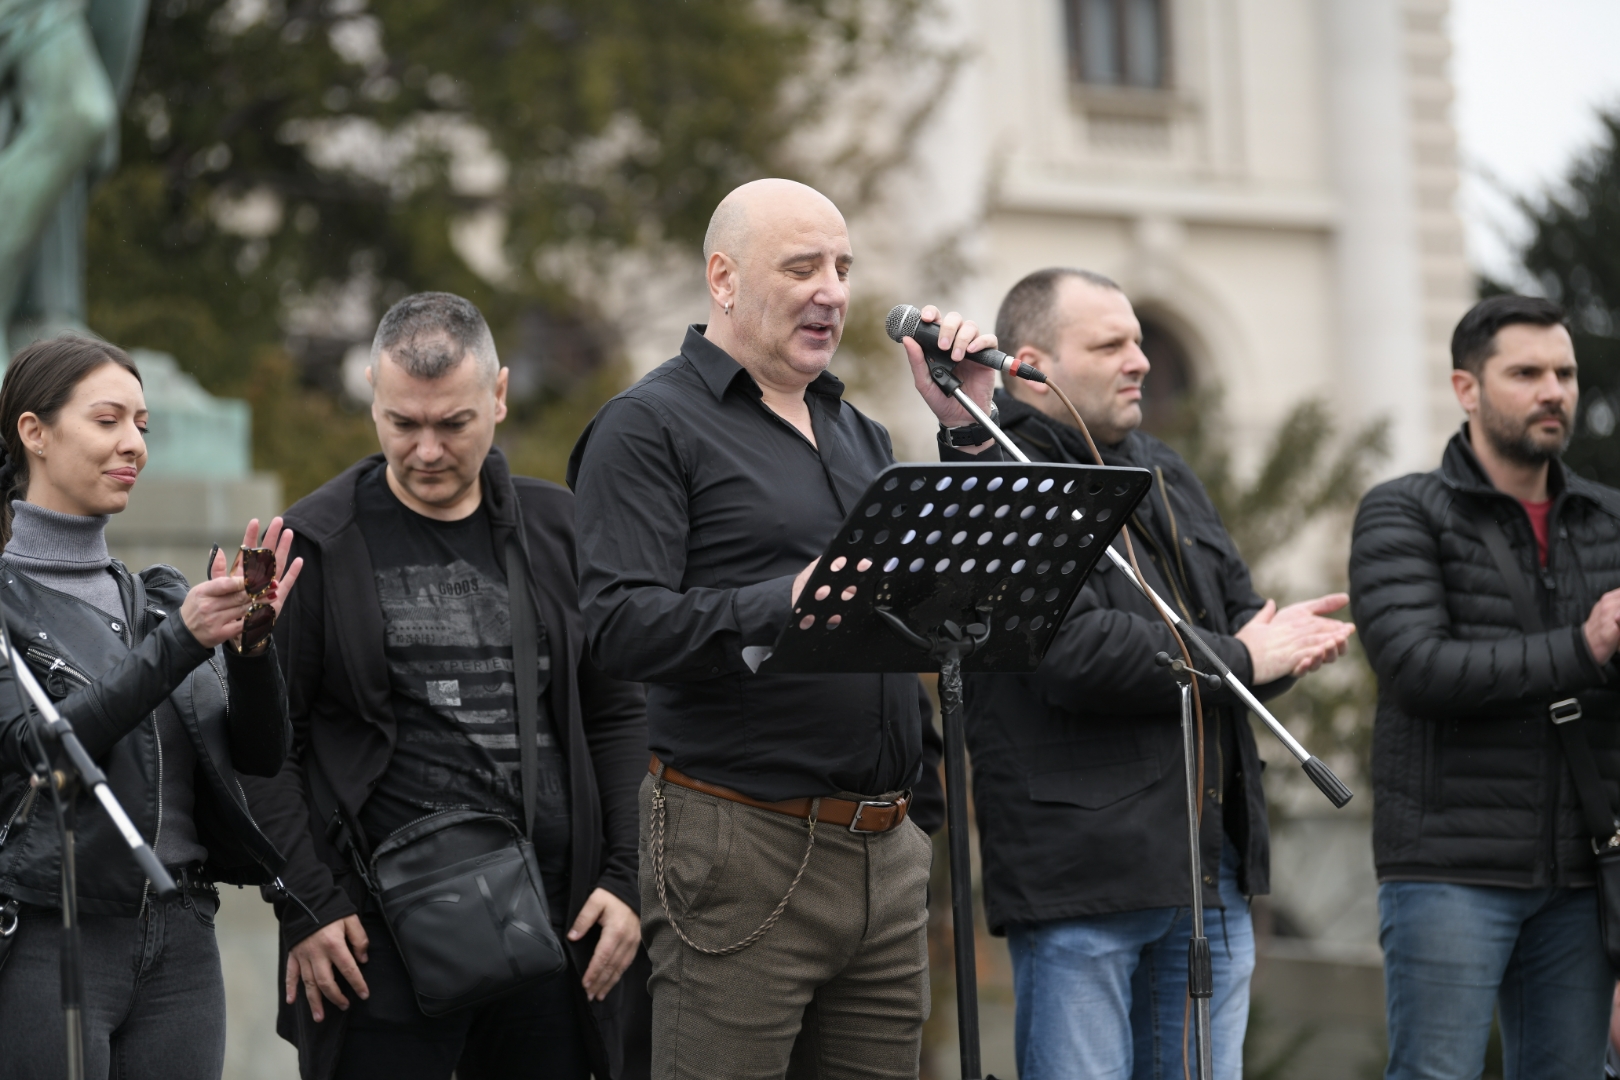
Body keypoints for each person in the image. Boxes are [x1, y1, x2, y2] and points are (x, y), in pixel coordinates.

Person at [566, 177, 997, 1080]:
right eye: (802, 266)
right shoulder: (648, 428)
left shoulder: (861, 434)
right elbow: (615, 627)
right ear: (723, 279)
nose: (833, 290)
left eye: (842, 267)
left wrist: (965, 429)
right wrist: (785, 599)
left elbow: (934, 613)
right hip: (741, 847)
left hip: (885, 853)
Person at [241, 293, 649, 1080]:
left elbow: (617, 713)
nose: (426, 450)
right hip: (375, 945)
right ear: (372, 395)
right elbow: (264, 751)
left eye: (453, 424)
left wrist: (627, 881)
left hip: (556, 931)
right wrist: (308, 907)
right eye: (402, 423)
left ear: (498, 395)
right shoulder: (315, 543)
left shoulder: (558, 527)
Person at [963, 268, 1355, 1080]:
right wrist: (1244, 656)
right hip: (1085, 879)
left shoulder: (1167, 471)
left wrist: (1262, 651)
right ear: (1031, 364)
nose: (1139, 359)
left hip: (1208, 871)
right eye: (1110, 344)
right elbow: (1074, 654)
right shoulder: (1001, 476)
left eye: (1140, 339)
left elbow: (1246, 620)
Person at [0, 334, 298, 1078]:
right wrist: (184, 641)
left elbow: (259, 757)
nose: (133, 443)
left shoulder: (155, 597)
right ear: (33, 432)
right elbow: (43, 750)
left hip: (183, 937)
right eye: (108, 421)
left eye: (143, 426)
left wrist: (250, 650)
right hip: (53, 934)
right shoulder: (9, 604)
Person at [1350, 294, 1620, 1080]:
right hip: (1448, 871)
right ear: (1466, 389)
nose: (1554, 391)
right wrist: (1588, 644)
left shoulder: (1610, 520)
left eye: (1565, 373)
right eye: (1527, 372)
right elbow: (1418, 670)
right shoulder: (1402, 513)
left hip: (1583, 871)